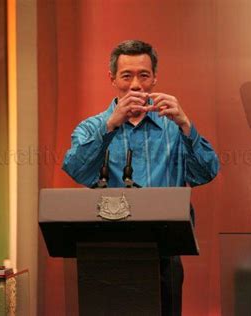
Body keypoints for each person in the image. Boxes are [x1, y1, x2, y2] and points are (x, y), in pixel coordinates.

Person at [62, 40, 219, 316]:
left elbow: (206, 172)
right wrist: (111, 124)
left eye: (144, 75)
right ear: (112, 79)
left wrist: (186, 124)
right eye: (127, 76)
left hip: (163, 253)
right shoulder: (92, 127)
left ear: (155, 78)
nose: (136, 85)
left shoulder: (172, 128)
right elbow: (76, 169)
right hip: (106, 252)